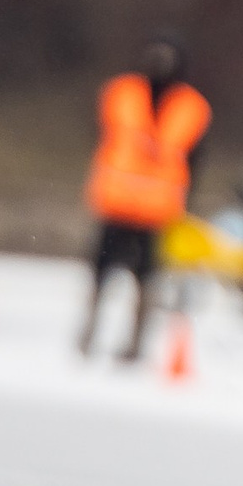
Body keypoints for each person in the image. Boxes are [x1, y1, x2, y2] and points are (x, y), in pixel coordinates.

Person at [80, 35, 210, 361]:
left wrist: (186, 202)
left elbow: (194, 159)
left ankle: (135, 346)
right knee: (100, 275)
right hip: (116, 204)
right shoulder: (122, 93)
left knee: (147, 281)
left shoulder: (191, 106)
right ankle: (87, 337)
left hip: (156, 211)